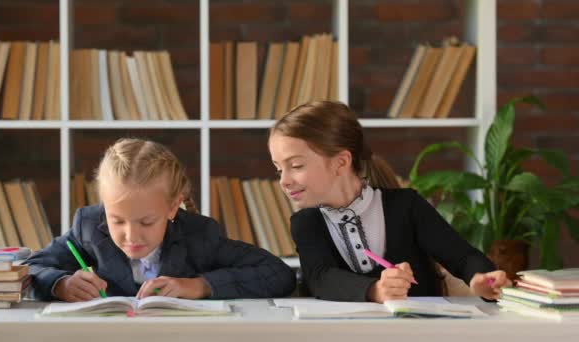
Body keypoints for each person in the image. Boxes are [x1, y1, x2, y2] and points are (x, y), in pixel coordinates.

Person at [268, 101, 511, 303]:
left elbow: (462, 257)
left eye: (296, 166)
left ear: (341, 162)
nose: (284, 181)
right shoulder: (306, 223)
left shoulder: (406, 206)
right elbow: (320, 278)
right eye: (279, 170)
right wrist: (375, 290)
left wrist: (483, 278)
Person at [26, 138, 296, 302]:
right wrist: (60, 284)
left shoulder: (198, 235)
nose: (131, 236)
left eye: (146, 222)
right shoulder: (88, 227)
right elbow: (31, 268)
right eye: (117, 220)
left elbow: (278, 274)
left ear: (173, 207)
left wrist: (199, 286)